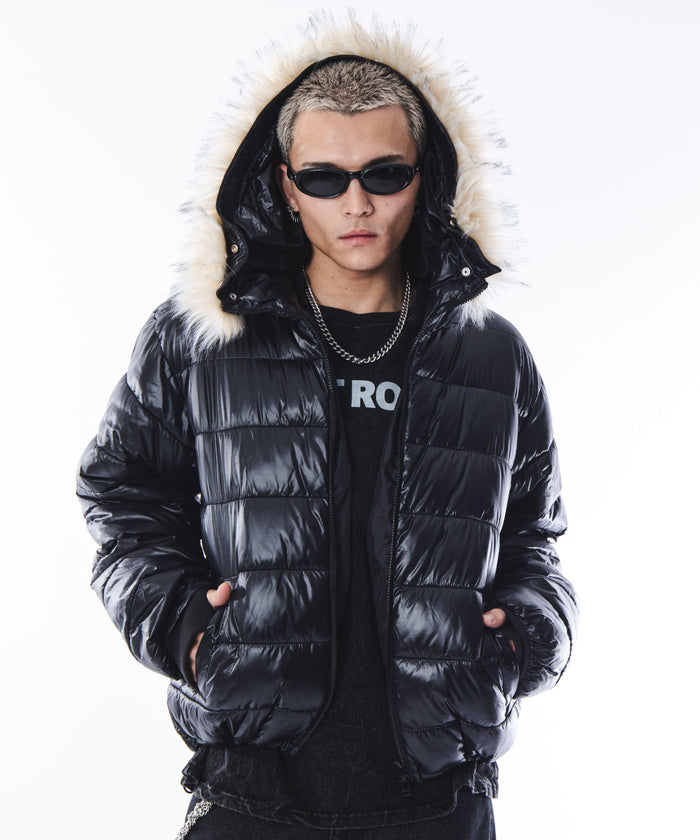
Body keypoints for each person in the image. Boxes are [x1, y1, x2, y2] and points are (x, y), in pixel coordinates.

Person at [77, 16, 577, 840]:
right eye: (323, 178)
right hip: (252, 790)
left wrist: (526, 634)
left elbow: (535, 535)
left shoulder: (491, 355)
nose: (356, 203)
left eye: (385, 174)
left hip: (440, 796)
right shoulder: (201, 339)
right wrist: (185, 627)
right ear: (283, 184)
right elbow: (120, 495)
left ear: (424, 176)